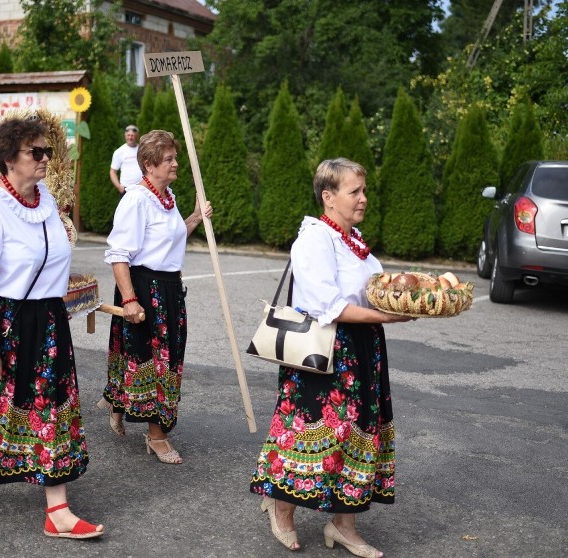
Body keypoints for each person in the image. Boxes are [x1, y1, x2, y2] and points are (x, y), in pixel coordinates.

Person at [0, 116, 104, 539]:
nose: (45, 158)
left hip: (48, 321)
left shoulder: (46, 200)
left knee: (52, 407)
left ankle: (58, 510)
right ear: (7, 159)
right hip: (4, 321)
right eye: (35, 152)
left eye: (47, 151)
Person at [249, 158, 413, 556]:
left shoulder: (352, 240)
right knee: (309, 431)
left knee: (357, 433)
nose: (363, 198)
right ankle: (282, 508)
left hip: (362, 347)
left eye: (363, 190)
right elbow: (330, 306)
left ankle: (343, 525)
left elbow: (369, 289)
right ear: (328, 196)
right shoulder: (315, 239)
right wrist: (387, 315)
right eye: (354, 191)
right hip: (325, 351)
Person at [101, 130, 212, 465]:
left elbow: (172, 239)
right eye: (169, 159)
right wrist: (130, 299)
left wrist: (195, 217)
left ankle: (120, 406)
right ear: (149, 165)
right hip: (143, 288)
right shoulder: (136, 199)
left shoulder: (168, 195)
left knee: (166, 359)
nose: (176, 163)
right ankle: (157, 435)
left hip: (169, 289)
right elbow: (119, 254)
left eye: (176, 157)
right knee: (148, 359)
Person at [109, 124, 142, 195]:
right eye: (128, 135)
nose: (130, 137)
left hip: (143, 188)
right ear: (125, 136)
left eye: (132, 135)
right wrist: (119, 187)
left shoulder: (142, 149)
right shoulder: (119, 152)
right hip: (126, 189)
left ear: (137, 136)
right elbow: (112, 172)